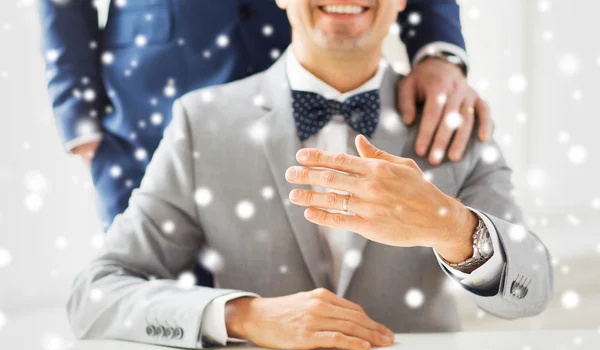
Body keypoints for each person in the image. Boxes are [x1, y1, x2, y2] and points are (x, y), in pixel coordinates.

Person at [66, 0, 553, 350]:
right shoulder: (202, 124)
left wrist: (451, 226)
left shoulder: (454, 119)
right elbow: (95, 294)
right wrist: (243, 316)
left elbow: (532, 292)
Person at [38, 0, 490, 233]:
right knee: (156, 316)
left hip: (309, 72)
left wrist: (437, 50)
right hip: (147, 104)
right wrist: (79, 118)